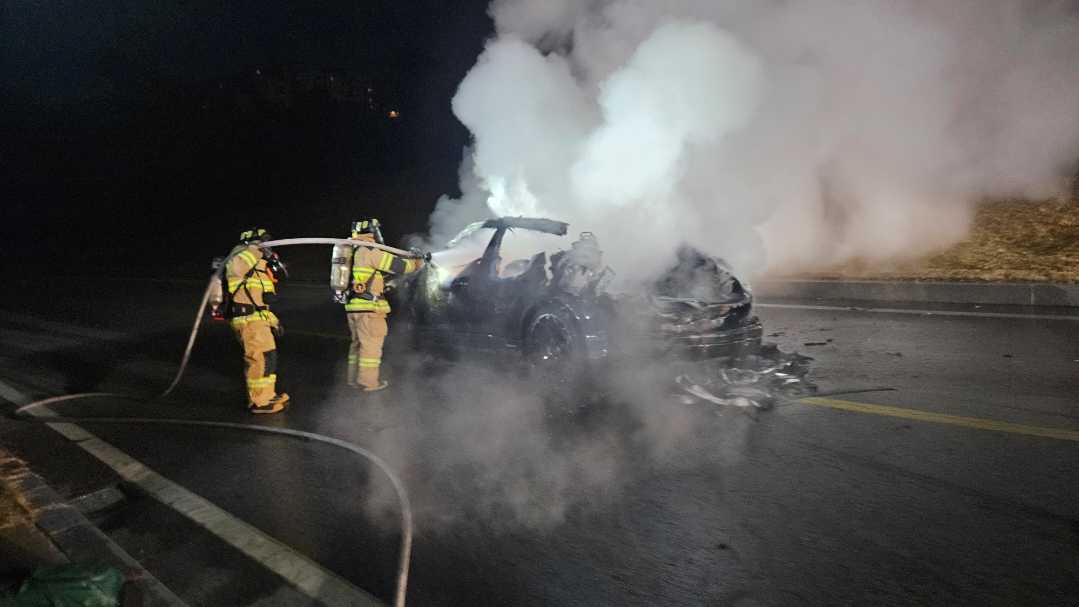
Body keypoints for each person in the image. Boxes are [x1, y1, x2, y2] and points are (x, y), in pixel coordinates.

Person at [342, 218, 424, 392]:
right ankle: (368, 383)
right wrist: (417, 262)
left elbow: (367, 277)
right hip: (368, 309)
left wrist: (384, 284)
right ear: (371, 232)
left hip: (353, 307)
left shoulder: (352, 250)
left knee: (358, 345)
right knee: (370, 348)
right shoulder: (369, 250)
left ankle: (353, 379)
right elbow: (398, 266)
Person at [225, 228, 289, 413]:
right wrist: (255, 248)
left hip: (258, 320)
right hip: (248, 320)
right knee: (258, 360)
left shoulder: (259, 267)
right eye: (263, 241)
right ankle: (259, 401)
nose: (267, 246)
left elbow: (260, 302)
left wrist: (273, 320)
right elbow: (236, 269)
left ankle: (267, 395)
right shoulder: (240, 258)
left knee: (268, 359)